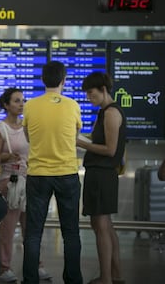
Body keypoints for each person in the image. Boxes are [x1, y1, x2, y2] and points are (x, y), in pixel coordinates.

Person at [22, 61, 83, 284]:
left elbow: (28, 137)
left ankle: (30, 280)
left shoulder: (30, 105)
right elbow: (75, 135)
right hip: (67, 172)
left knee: (33, 233)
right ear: (63, 80)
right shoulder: (72, 105)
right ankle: (73, 279)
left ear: (42, 80)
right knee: (71, 233)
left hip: (38, 174)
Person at [77, 71, 126, 284]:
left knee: (101, 226)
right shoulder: (104, 112)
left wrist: (79, 143)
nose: (89, 97)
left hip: (102, 174)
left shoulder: (111, 113)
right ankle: (115, 275)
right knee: (105, 225)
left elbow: (110, 149)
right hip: (101, 174)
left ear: (103, 90)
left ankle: (106, 277)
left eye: (91, 93)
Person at [0, 87, 28, 283]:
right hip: (10, 181)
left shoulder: (27, 127)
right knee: (8, 228)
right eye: (16, 100)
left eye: (22, 100)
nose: (21, 104)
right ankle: (4, 267)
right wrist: (7, 156)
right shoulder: (0, 129)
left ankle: (35, 265)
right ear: (6, 105)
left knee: (30, 228)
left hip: (28, 179)